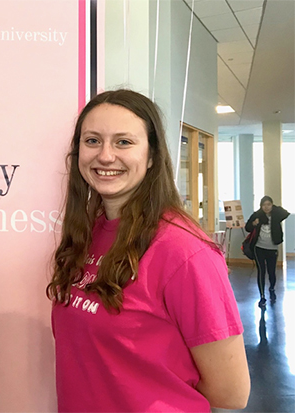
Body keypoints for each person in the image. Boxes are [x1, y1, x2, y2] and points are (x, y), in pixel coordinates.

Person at [47, 90, 250, 412]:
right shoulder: (90, 232)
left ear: (152, 156)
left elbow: (231, 392)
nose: (106, 156)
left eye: (124, 142)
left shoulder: (184, 252)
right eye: (92, 141)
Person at [245, 196, 290, 307]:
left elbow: (286, 213)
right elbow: (247, 227)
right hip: (259, 247)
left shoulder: (276, 215)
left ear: (272, 205)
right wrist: (254, 224)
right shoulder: (257, 215)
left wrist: (273, 208)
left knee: (271, 271)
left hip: (272, 248)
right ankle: (262, 296)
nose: (266, 207)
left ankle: (271, 288)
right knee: (261, 271)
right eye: (264, 205)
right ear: (261, 206)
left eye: (268, 204)